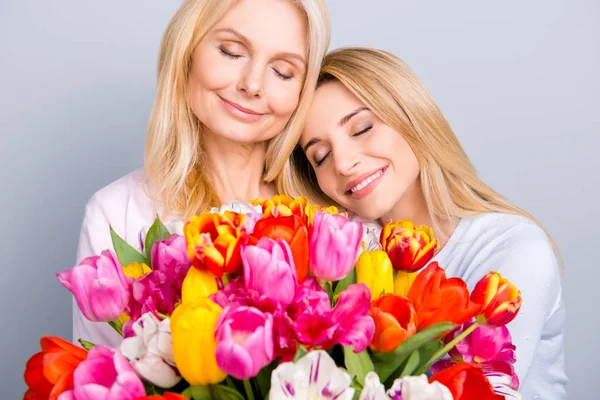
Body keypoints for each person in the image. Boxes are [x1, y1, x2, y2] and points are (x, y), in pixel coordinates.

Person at [283, 47, 567, 399]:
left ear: (412, 116)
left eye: (362, 128)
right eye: (320, 156)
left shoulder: (516, 251)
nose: (342, 163)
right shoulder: (343, 257)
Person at [73, 0, 330, 348]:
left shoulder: (332, 219)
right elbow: (99, 372)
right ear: (186, 50)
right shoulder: (116, 213)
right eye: (230, 51)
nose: (253, 84)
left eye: (283, 71)